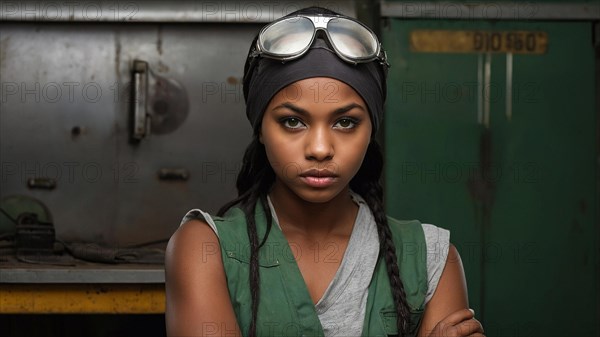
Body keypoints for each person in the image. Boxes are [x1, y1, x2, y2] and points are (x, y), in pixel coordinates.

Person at [165, 6, 485, 337]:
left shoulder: (431, 258)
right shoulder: (204, 249)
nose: (320, 149)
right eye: (293, 121)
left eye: (345, 122)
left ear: (371, 129)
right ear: (261, 127)